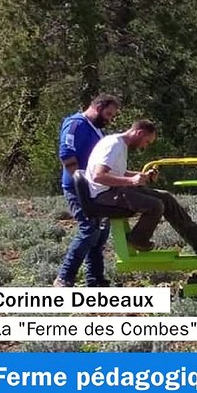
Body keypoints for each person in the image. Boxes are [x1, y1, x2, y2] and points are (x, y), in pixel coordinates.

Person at [86, 119, 197, 254]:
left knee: (166, 198)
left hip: (115, 190)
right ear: (139, 133)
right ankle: (138, 240)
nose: (144, 146)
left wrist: (142, 175)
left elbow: (118, 173)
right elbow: (98, 176)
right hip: (104, 195)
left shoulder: (119, 145)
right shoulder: (114, 145)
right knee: (155, 205)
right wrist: (132, 181)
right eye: (147, 142)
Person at [54, 94, 120, 288]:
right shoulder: (76, 124)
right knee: (89, 229)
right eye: (108, 113)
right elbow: (67, 155)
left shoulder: (97, 132)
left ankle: (95, 280)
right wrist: (81, 184)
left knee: (100, 235)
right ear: (98, 106)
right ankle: (64, 278)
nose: (109, 119)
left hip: (96, 190)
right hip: (80, 189)